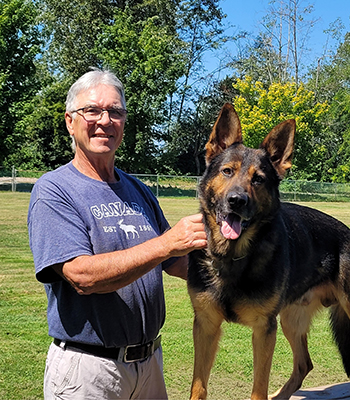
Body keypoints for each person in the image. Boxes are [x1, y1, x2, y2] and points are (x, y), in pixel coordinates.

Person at [28, 69, 207, 400]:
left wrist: (242, 262)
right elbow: (82, 276)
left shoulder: (136, 189)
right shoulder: (54, 190)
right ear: (70, 121)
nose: (105, 120)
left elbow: (178, 263)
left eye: (115, 112)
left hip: (149, 364)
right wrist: (166, 243)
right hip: (89, 371)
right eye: (92, 110)